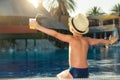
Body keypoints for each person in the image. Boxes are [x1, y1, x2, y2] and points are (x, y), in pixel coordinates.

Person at [29, 13, 117, 79]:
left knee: (58, 76)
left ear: (72, 29)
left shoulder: (71, 39)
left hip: (75, 71)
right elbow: (99, 41)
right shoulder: (87, 40)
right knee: (62, 74)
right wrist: (110, 41)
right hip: (85, 71)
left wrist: (38, 27)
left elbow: (55, 34)